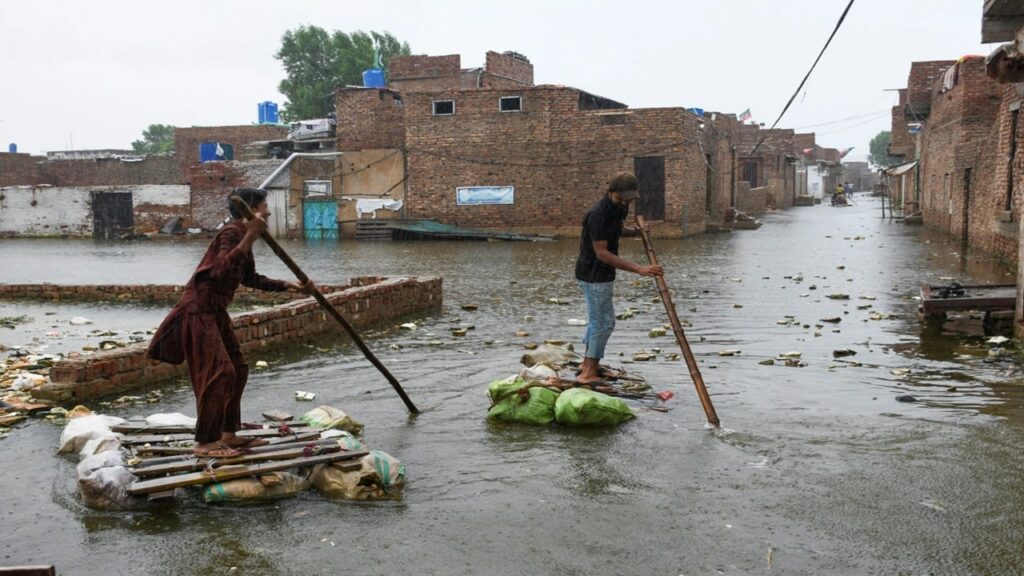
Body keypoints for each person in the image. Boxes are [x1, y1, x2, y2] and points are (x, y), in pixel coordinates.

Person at [147, 188, 315, 458]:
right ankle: (205, 442)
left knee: (238, 368)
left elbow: (249, 278)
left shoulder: (242, 236)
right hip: (198, 310)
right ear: (251, 208)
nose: (268, 211)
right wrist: (250, 235)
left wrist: (289, 286)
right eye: (264, 206)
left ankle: (228, 433)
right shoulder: (232, 233)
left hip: (216, 311)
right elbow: (219, 270)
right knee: (220, 372)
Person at [573, 172, 663, 386]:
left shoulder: (620, 206)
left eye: (629, 199)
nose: (625, 202)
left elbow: (614, 229)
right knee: (604, 323)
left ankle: (586, 364)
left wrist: (634, 232)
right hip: (593, 274)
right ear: (610, 192)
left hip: (603, 274)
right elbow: (602, 253)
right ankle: (588, 374)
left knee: (598, 321)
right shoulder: (598, 214)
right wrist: (639, 268)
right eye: (621, 198)